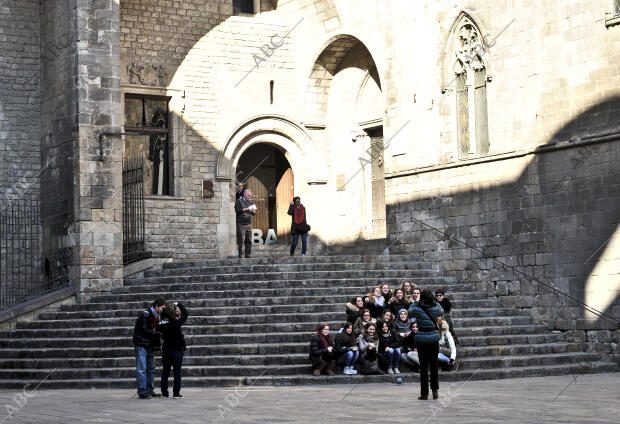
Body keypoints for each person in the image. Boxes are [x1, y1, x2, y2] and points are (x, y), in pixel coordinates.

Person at [409, 288, 444, 400]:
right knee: (434, 366)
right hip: (433, 338)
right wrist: (435, 301)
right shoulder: (435, 307)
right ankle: (435, 392)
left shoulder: (417, 307)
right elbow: (441, 311)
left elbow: (410, 312)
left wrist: (415, 301)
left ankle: (424, 394)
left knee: (423, 367)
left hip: (421, 339)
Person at [133, 297, 166, 399]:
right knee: (142, 369)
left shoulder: (157, 316)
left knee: (151, 369)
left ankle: (150, 390)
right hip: (142, 344)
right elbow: (144, 330)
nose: (163, 310)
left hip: (150, 345)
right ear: (156, 306)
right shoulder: (145, 314)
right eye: (162, 308)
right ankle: (142, 392)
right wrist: (157, 334)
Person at [158, 302, 188, 399]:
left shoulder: (161, 326)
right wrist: (179, 304)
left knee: (165, 373)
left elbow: (161, 320)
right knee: (177, 373)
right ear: (173, 314)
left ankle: (164, 394)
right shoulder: (177, 323)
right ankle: (176, 394)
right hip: (177, 351)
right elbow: (185, 314)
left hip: (166, 351)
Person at [234, 189, 256, 258]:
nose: (250, 197)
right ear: (245, 195)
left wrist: (253, 210)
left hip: (249, 223)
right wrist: (247, 209)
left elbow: (253, 213)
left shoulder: (251, 202)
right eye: (249, 195)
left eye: (251, 196)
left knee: (249, 240)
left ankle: (248, 254)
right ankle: (241, 254)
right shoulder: (239, 201)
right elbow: (237, 210)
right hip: (241, 223)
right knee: (241, 240)